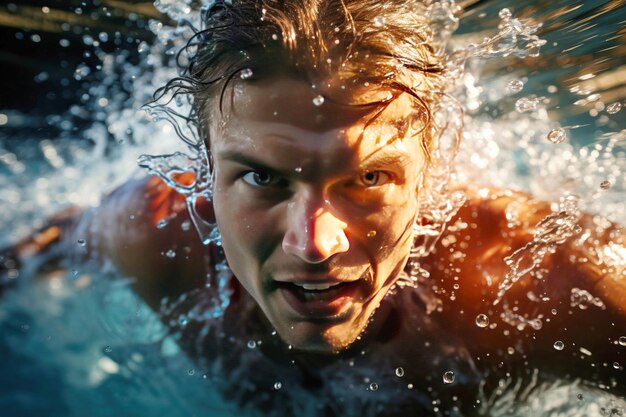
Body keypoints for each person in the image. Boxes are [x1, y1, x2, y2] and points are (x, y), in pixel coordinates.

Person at [1, 1, 625, 415]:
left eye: (370, 178)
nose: (315, 246)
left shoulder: (537, 282)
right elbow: (56, 239)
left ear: (428, 177)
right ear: (207, 179)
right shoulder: (148, 232)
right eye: (264, 179)